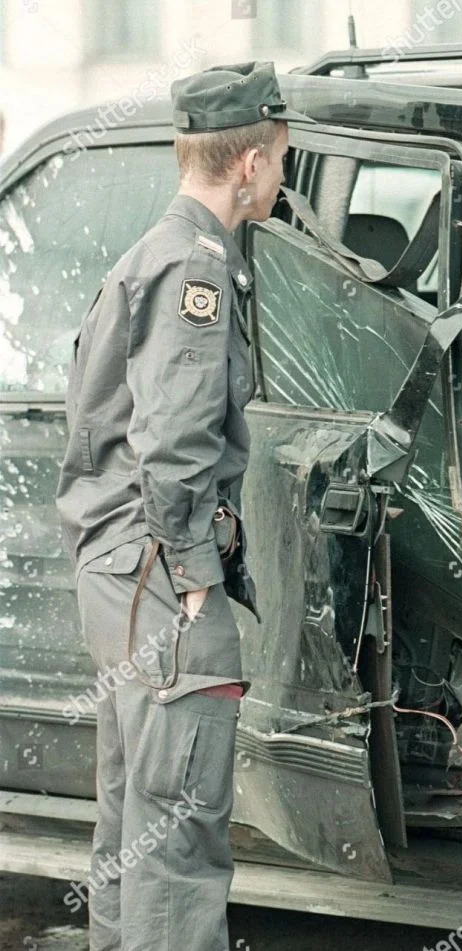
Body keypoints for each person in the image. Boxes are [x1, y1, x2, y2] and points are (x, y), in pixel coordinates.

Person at [56, 61, 311, 951]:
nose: (282, 175)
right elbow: (172, 442)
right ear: (250, 163)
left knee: (134, 821)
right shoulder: (195, 267)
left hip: (124, 575)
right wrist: (198, 575)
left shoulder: (153, 255)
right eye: (282, 158)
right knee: (180, 835)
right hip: (163, 578)